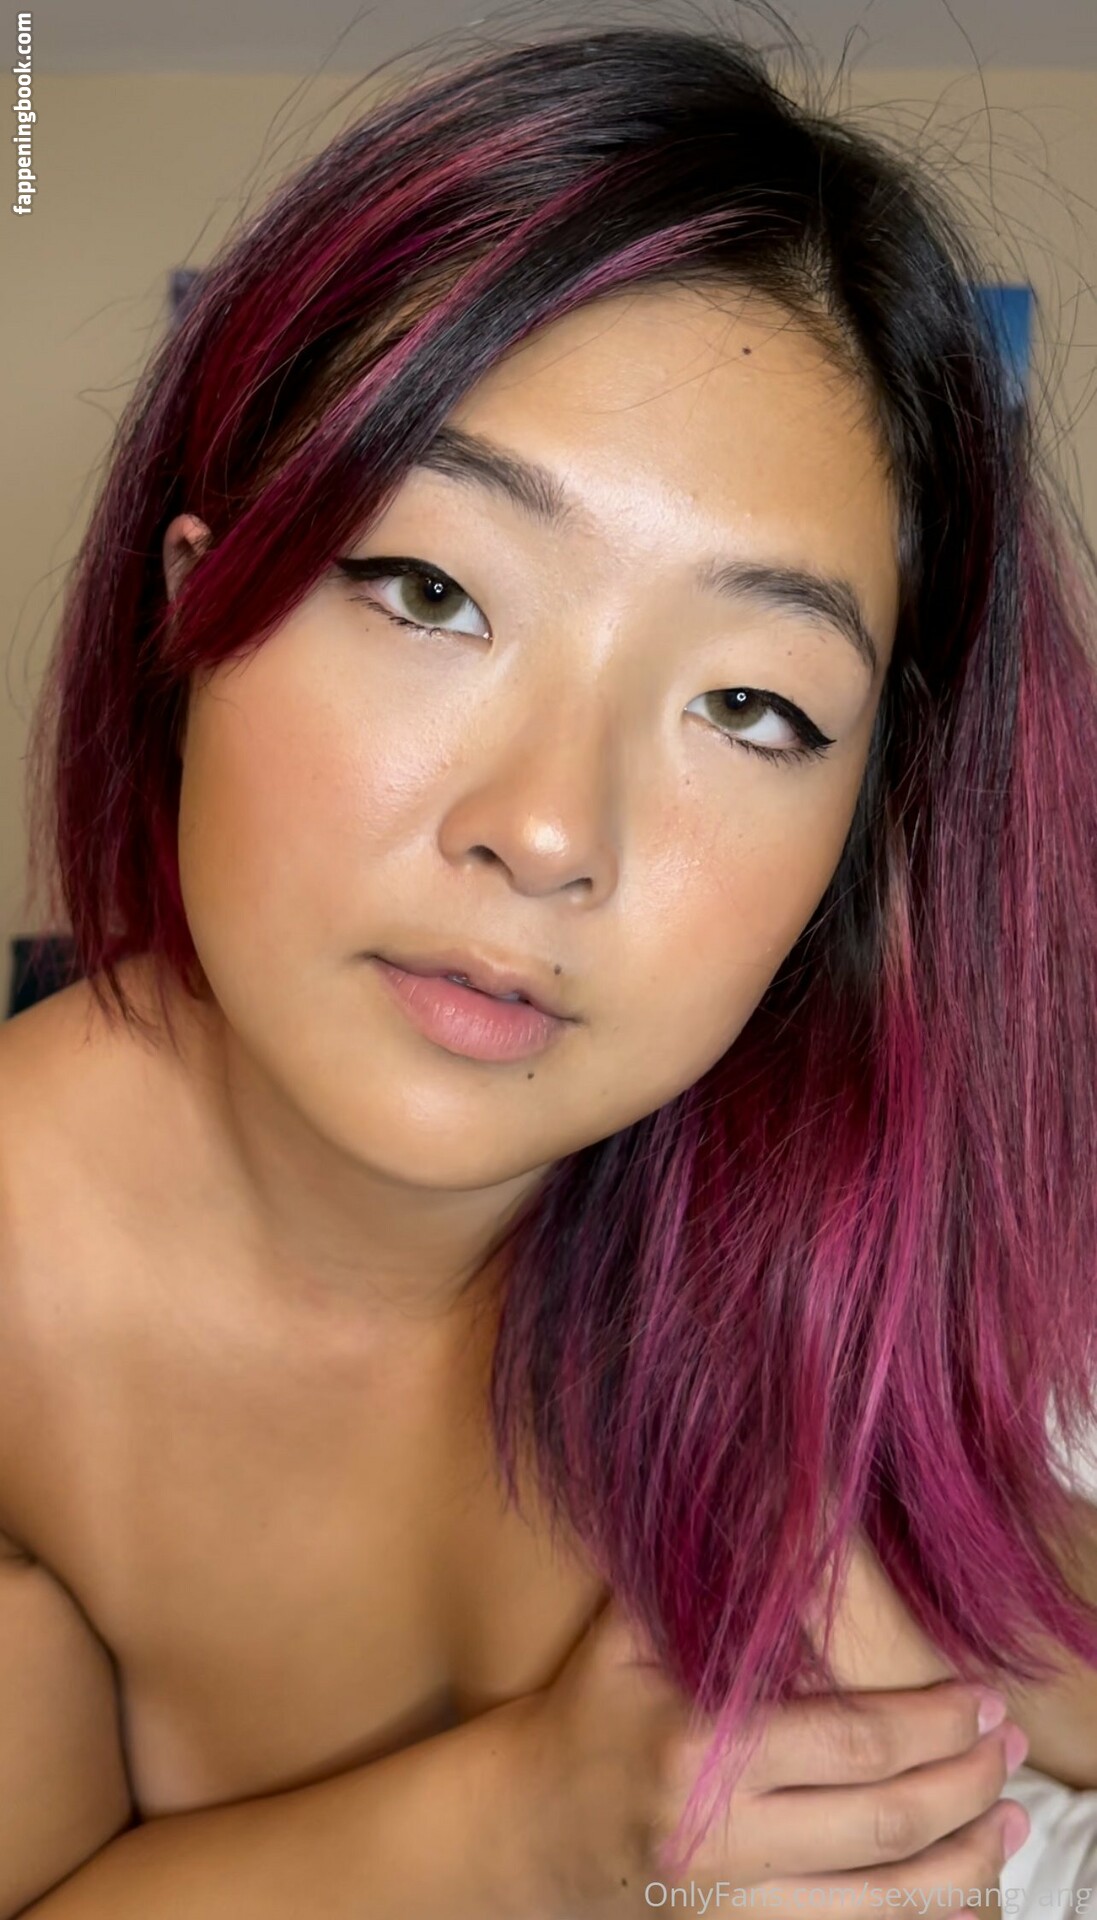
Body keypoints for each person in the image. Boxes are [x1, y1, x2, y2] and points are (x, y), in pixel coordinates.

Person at [3, 14, 1097, 1915]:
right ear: (197, 602)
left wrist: (925, 1607)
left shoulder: (826, 1201)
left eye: (747, 707)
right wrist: (525, 1830)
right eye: (430, 592)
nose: (548, 830)